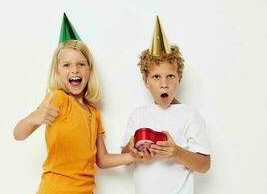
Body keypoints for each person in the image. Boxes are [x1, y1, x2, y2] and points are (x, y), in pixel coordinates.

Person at [13, 13, 135, 194]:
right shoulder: (58, 98)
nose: (74, 69)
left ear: (89, 69)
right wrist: (35, 117)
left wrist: (133, 156)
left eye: (81, 64)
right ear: (58, 71)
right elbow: (18, 134)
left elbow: (102, 160)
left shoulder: (94, 113)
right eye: (66, 65)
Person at [121, 16, 211, 194]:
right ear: (145, 80)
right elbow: (126, 157)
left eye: (170, 76)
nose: (164, 84)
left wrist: (177, 153)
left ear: (179, 78)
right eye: (156, 77)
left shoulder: (189, 115)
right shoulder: (138, 115)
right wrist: (133, 149)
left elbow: (204, 165)